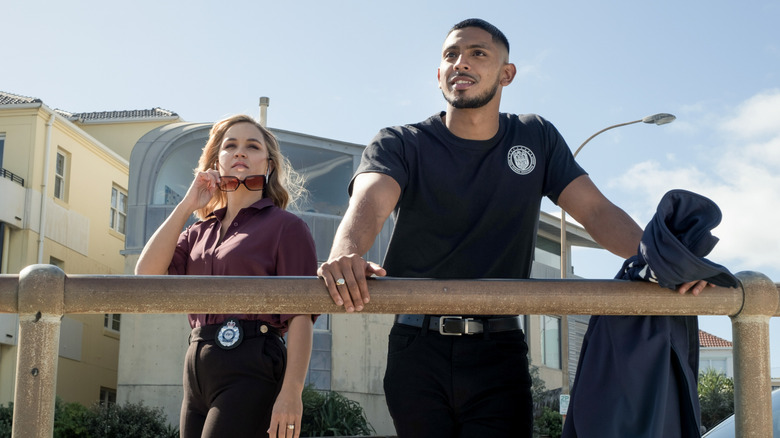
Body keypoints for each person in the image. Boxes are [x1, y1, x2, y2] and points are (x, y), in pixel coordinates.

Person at [317, 18, 709, 437]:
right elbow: (370, 201)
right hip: (417, 346)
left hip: (498, 346)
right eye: (451, 55)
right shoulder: (400, 141)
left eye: (477, 54)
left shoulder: (536, 137)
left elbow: (596, 212)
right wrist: (347, 252)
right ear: (438, 75)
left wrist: (662, 263)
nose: (460, 63)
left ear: (507, 73)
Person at [135, 114, 317, 438]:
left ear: (269, 164)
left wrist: (292, 392)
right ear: (216, 161)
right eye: (230, 145)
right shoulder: (196, 233)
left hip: (252, 364)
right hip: (197, 368)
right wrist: (190, 202)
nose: (240, 152)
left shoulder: (287, 228)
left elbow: (301, 316)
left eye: (252, 146)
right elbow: (145, 273)